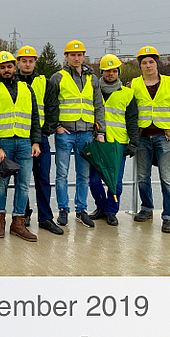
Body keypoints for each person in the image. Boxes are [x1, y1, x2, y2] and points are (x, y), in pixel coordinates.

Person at [46, 40, 105, 228]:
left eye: (80, 55)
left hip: (86, 133)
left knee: (83, 175)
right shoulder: (58, 77)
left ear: (84, 56)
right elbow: (50, 104)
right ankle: (63, 209)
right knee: (61, 173)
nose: (77, 58)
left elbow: (98, 106)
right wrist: (56, 126)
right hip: (65, 133)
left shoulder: (92, 79)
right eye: (73, 55)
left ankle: (81, 210)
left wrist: (100, 131)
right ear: (66, 56)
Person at [0, 52, 41, 241]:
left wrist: (36, 141)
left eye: (9, 66)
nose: (6, 70)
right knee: (2, 182)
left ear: (14, 67)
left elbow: (34, 117)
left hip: (25, 142)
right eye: (2, 67)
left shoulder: (27, 88)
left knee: (24, 184)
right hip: (4, 143)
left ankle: (18, 222)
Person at [15, 46, 64, 235]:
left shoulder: (45, 82)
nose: (27, 64)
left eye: (31, 61)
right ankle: (23, 215)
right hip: (19, 138)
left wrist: (44, 132)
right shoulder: (10, 81)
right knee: (21, 179)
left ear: (35, 62)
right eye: (24, 60)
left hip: (41, 139)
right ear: (18, 62)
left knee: (43, 178)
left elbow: (53, 109)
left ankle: (45, 218)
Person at [88, 54, 139, 226]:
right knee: (94, 181)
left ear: (118, 72)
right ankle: (101, 207)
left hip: (118, 144)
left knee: (115, 182)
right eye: (107, 71)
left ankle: (111, 211)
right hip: (98, 142)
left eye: (114, 71)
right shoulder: (93, 91)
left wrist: (133, 142)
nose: (111, 74)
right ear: (101, 71)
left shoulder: (128, 94)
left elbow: (132, 120)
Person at [130, 46, 170, 233]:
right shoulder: (134, 84)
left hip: (165, 137)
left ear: (157, 64)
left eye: (151, 62)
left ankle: (169, 216)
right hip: (143, 137)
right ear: (140, 66)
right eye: (144, 63)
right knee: (142, 177)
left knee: (167, 178)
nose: (148, 66)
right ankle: (146, 208)